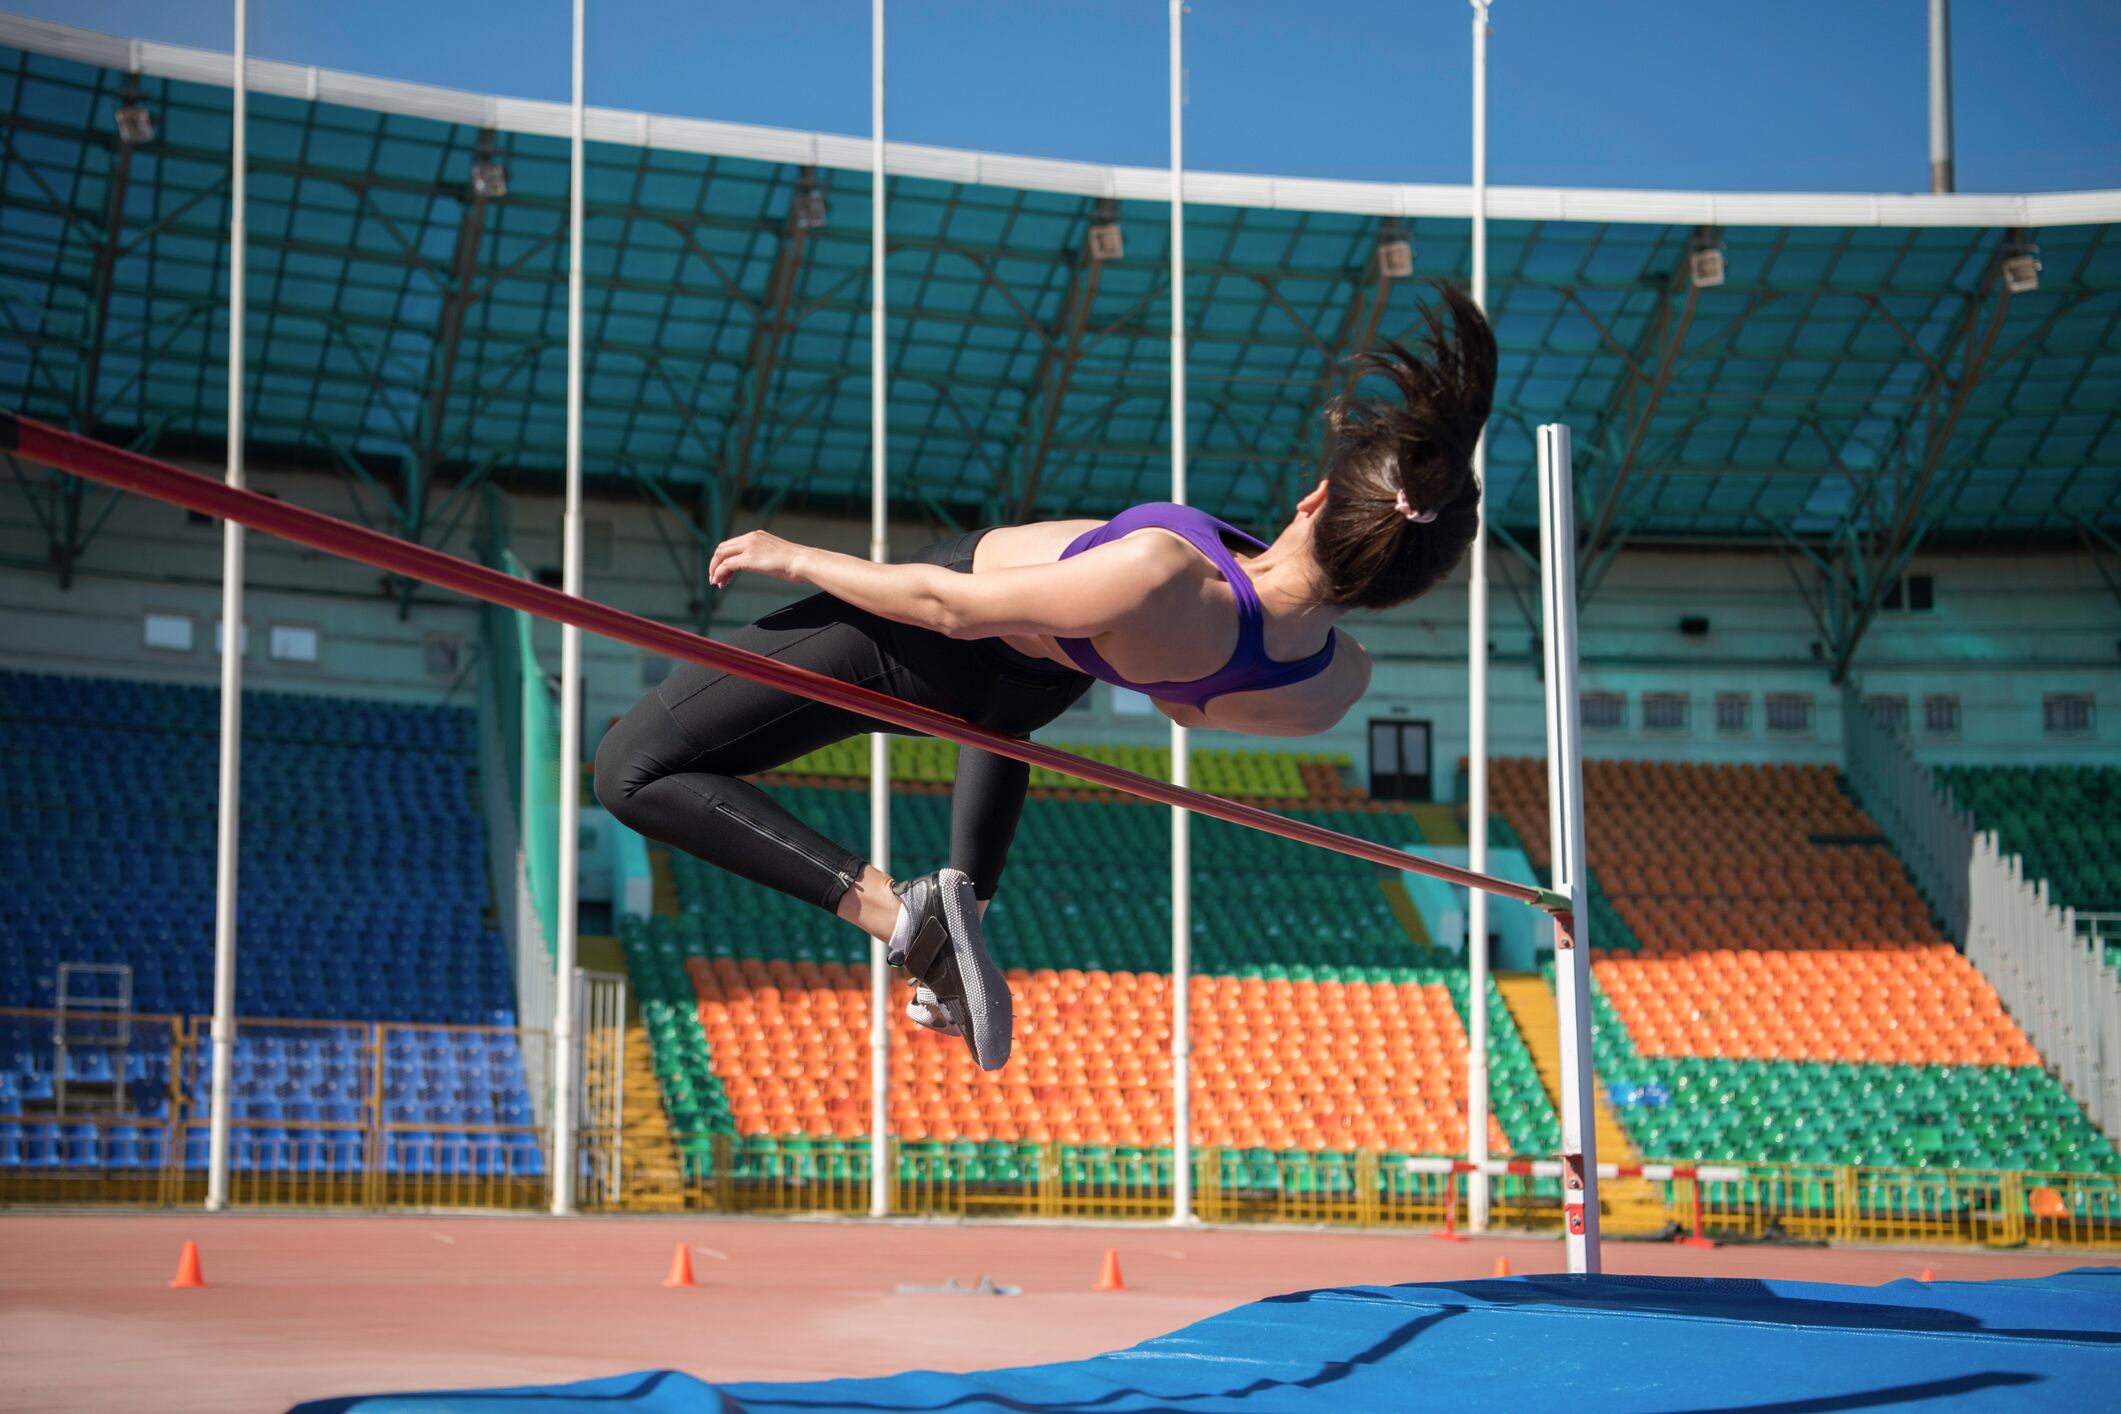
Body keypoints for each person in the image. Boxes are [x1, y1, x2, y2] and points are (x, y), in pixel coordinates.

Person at [595, 284, 1495, 1073]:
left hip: (907, 637)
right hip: (1011, 712)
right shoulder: (1332, 685)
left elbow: (948, 607)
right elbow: (1186, 710)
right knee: (997, 726)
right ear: (1398, 586)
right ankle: (958, 924)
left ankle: (900, 915)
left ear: (1317, 499)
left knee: (631, 769)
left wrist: (796, 556)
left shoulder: (1161, 570)